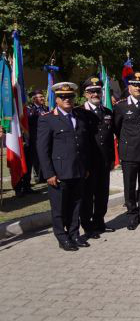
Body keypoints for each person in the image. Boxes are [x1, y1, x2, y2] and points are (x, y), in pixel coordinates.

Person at [37, 82, 91, 251]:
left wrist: (86, 167)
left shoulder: (79, 116)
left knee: (76, 205)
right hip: (59, 172)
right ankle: (62, 237)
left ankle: (74, 234)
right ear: (56, 99)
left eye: (70, 96)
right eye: (63, 97)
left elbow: (84, 145)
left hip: (78, 170)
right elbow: (42, 149)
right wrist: (49, 173)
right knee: (59, 208)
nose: (67, 99)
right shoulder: (47, 119)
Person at [113, 72, 140, 230]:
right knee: (130, 186)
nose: (138, 88)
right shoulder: (120, 106)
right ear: (129, 87)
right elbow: (117, 128)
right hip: (129, 152)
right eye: (134, 85)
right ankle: (132, 215)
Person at [80, 77, 116, 239]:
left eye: (98, 91)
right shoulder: (79, 112)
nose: (95, 94)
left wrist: (112, 159)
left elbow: (109, 139)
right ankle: (87, 226)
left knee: (102, 194)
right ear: (85, 94)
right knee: (88, 196)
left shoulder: (107, 112)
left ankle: (99, 221)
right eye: (91, 91)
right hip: (88, 163)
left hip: (104, 161)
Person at [19, 89, 48, 195]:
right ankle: (25, 185)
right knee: (29, 163)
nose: (42, 98)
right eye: (40, 97)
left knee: (40, 160)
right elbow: (28, 123)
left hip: (42, 140)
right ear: (34, 99)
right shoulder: (29, 109)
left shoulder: (45, 108)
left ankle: (41, 177)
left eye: (42, 96)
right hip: (31, 140)